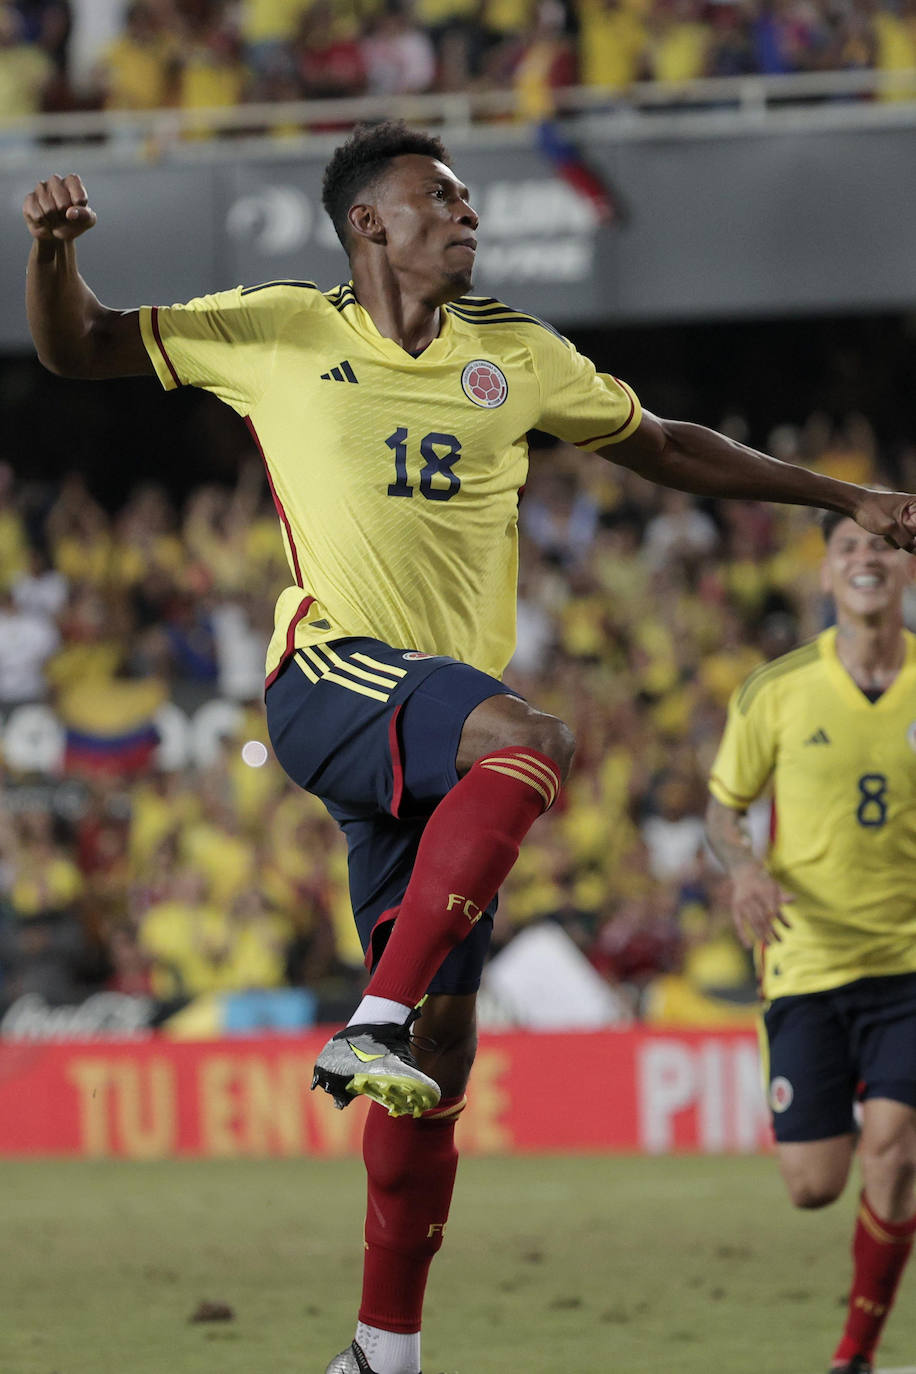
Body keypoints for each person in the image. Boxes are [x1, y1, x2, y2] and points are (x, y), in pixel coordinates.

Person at [22, 121, 916, 1374]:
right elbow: (84, 346)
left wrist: (837, 498)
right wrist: (53, 260)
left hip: (446, 738)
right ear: (368, 226)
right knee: (533, 741)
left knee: (445, 1054)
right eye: (433, 198)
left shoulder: (515, 354)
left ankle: (382, 1350)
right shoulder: (279, 325)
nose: (464, 214)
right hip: (330, 675)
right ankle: (367, 1017)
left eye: (464, 197)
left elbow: (661, 444)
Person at [706, 510, 916, 1374]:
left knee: (893, 1154)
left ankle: (852, 1358)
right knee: (814, 1186)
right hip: (805, 962)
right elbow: (724, 814)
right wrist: (745, 871)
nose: (866, 560)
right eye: (849, 548)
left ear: (904, 573)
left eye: (883, 548)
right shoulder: (776, 690)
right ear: (826, 575)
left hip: (909, 964)